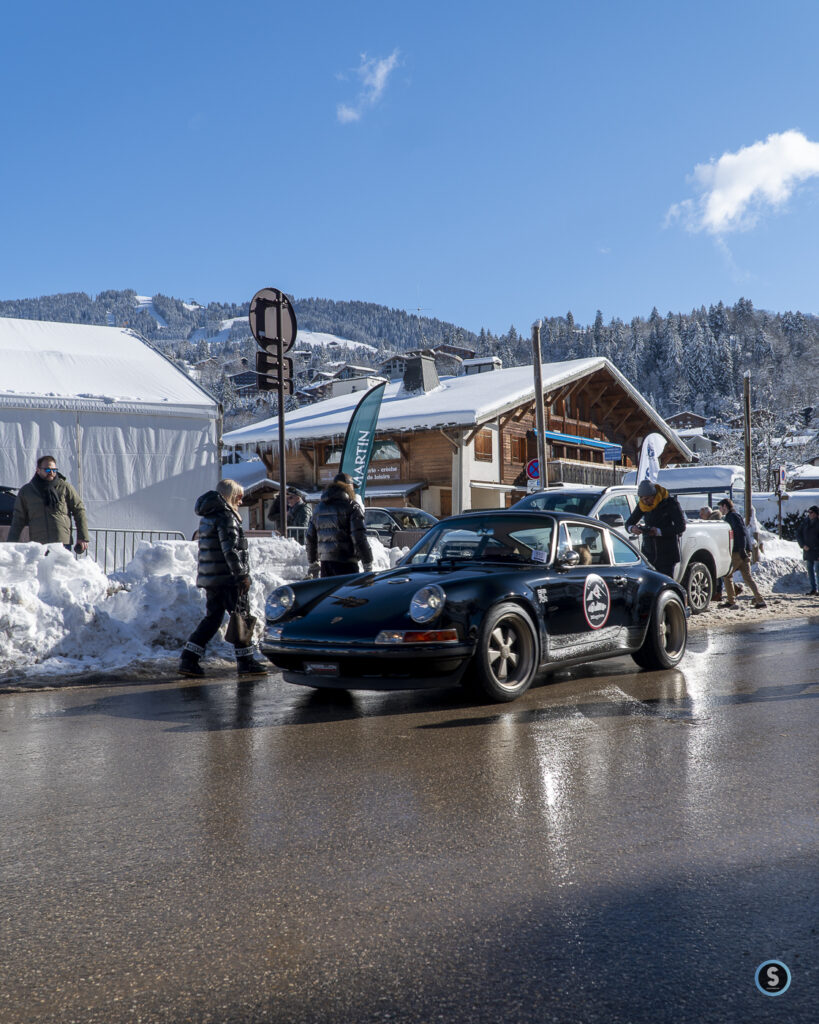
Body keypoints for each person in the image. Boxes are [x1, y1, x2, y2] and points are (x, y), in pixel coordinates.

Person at [179, 478, 268, 678]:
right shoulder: (227, 517)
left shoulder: (208, 517)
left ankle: (188, 659)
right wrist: (242, 575)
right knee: (242, 618)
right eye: (240, 497)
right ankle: (246, 662)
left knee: (212, 619)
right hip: (229, 579)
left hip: (213, 578)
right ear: (231, 496)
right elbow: (231, 550)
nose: (241, 502)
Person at [7, 455, 89, 552]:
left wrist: (83, 537)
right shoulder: (26, 491)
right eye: (47, 470)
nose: (51, 473)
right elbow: (18, 519)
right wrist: (11, 544)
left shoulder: (65, 487)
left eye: (54, 470)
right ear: (38, 470)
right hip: (39, 544)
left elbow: (79, 510)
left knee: (61, 567)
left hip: (61, 542)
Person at [305, 472, 373, 578]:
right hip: (347, 564)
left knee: (330, 594)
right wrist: (367, 562)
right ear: (348, 487)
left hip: (326, 565)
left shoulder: (319, 508)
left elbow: (310, 537)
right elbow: (359, 537)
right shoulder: (352, 506)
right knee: (347, 594)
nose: (354, 491)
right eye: (353, 487)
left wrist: (313, 563)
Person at [625, 479, 686, 578]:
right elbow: (628, 523)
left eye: (648, 499)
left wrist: (659, 531)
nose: (645, 502)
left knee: (665, 582)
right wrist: (632, 528)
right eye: (642, 499)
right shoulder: (643, 505)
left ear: (654, 495)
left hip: (667, 553)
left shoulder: (670, 503)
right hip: (649, 553)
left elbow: (681, 526)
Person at [716, 498, 767, 609]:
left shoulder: (732, 516)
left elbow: (741, 532)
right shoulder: (735, 516)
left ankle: (731, 601)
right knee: (748, 578)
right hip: (744, 550)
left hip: (738, 552)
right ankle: (760, 600)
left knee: (727, 575)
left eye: (720, 507)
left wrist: (741, 549)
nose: (720, 509)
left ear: (725, 506)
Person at [796, 505, 819, 595]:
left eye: (811, 512)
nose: (809, 514)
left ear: (816, 514)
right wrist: (803, 545)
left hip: (817, 550)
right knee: (810, 569)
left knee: (817, 569)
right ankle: (813, 589)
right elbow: (798, 533)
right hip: (808, 549)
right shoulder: (805, 522)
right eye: (808, 512)